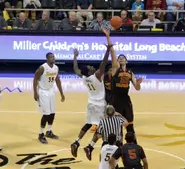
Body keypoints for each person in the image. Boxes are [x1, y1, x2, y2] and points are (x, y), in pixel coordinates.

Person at [70, 27, 112, 158]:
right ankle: (90, 146)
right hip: (99, 105)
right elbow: (103, 64)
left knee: (88, 124)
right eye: (89, 67)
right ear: (89, 71)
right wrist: (108, 50)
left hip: (90, 103)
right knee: (103, 127)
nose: (91, 67)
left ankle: (76, 142)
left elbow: (76, 69)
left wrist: (75, 57)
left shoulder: (84, 78)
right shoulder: (97, 76)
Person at [33, 52, 65, 144]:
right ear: (47, 59)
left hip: (51, 91)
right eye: (51, 57)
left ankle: (49, 131)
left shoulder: (56, 68)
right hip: (43, 91)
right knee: (46, 114)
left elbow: (57, 80)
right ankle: (41, 134)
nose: (53, 58)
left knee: (52, 113)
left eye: (54, 57)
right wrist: (35, 93)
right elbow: (35, 79)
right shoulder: (42, 68)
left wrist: (62, 93)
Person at [110, 50, 143, 136]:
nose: (121, 59)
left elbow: (137, 88)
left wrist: (138, 84)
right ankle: (118, 144)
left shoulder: (130, 72)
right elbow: (113, 55)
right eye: (119, 58)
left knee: (130, 124)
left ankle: (133, 144)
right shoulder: (115, 69)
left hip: (125, 99)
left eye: (123, 58)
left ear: (126, 61)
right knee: (117, 126)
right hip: (116, 100)